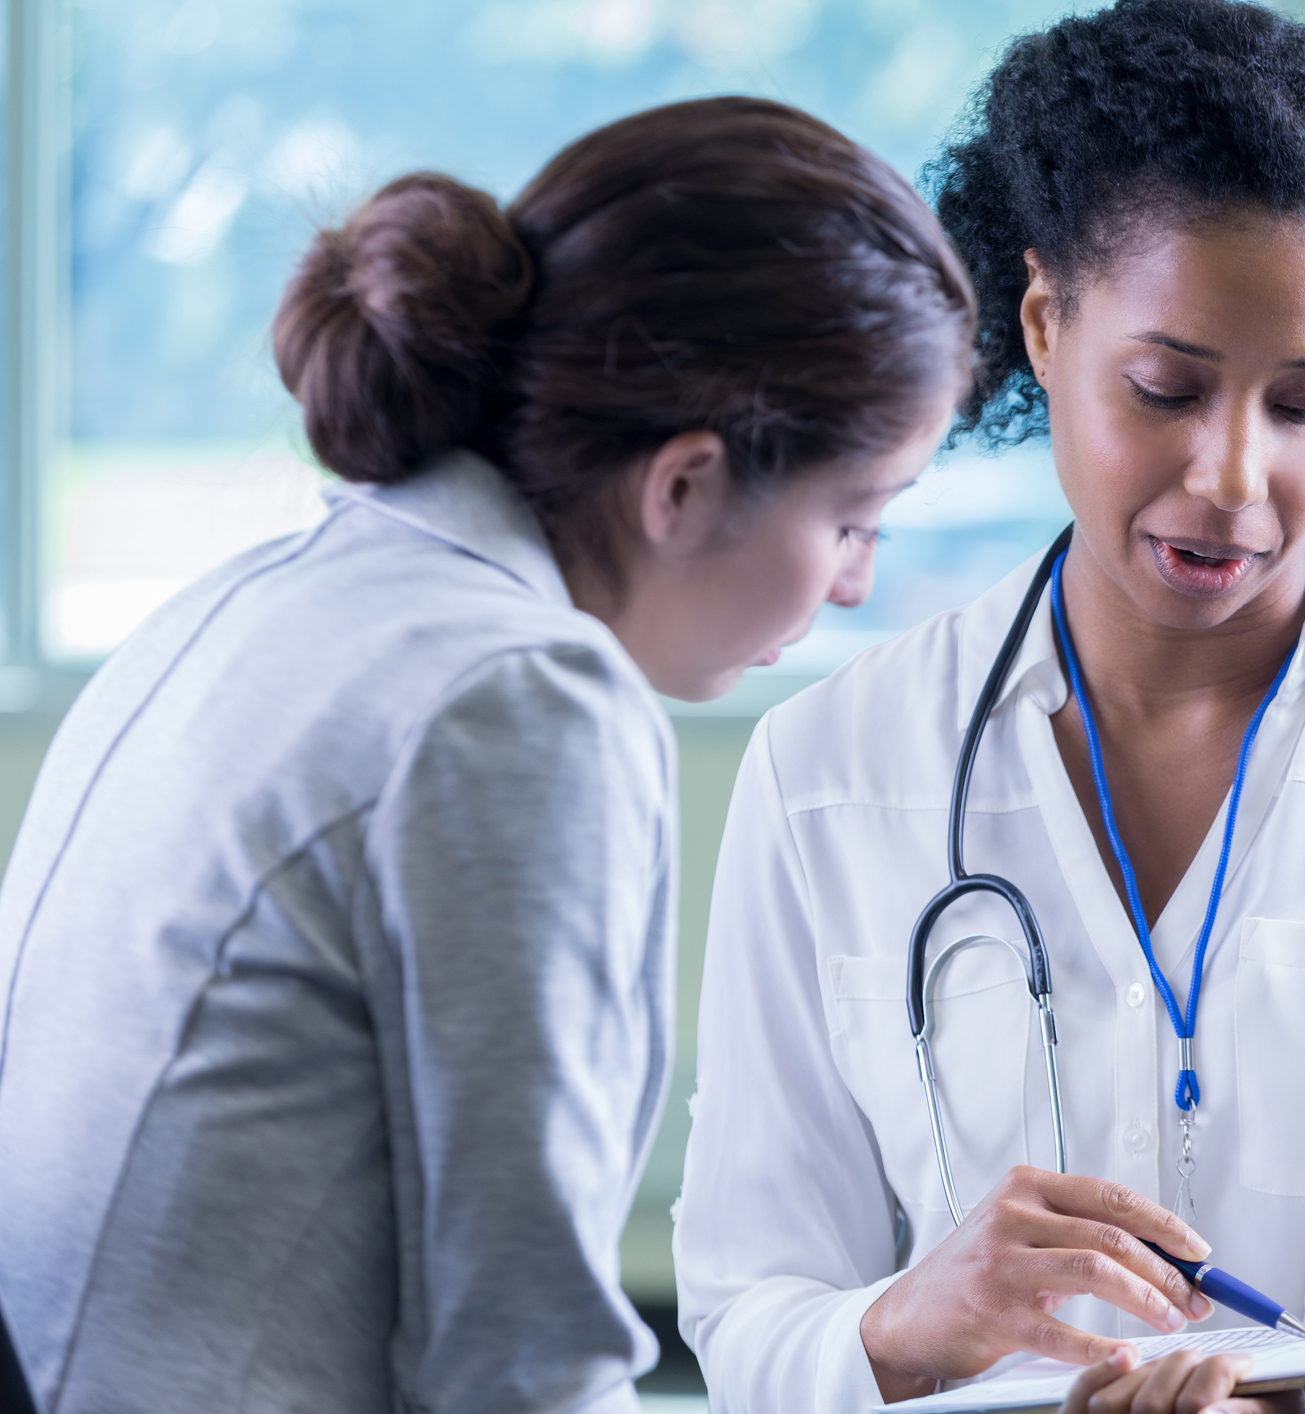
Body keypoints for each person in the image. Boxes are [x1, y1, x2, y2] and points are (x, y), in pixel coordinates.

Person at [673, 3, 1305, 1412]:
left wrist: (1296, 1399)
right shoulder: (831, 769)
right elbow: (753, 1301)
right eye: (1164, 388)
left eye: (1304, 404)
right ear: (1046, 321)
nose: (1231, 479)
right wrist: (904, 1321)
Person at [0, 98, 972, 1414]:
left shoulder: (264, 593)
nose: (854, 585)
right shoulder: (521, 699)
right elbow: (523, 1369)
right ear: (682, 484)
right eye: (855, 519)